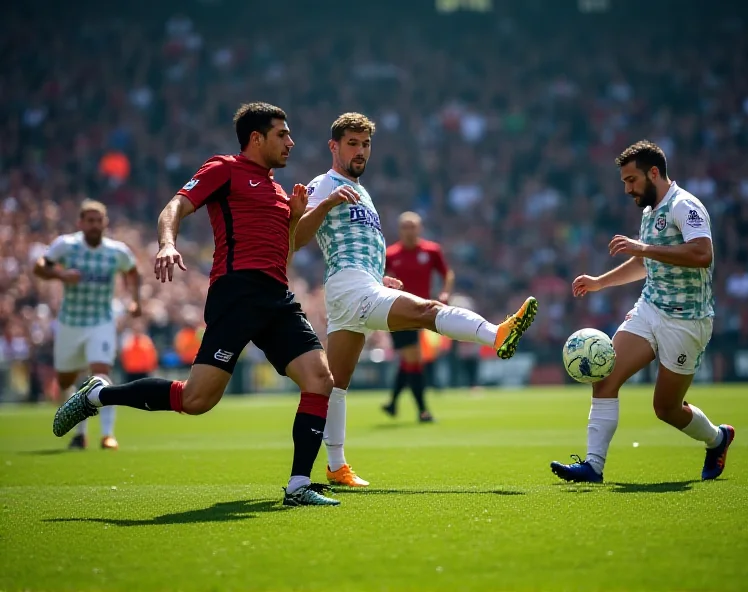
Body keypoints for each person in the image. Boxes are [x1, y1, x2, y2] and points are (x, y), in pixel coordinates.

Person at [52, 103, 339, 507]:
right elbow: (176, 205)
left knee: (319, 379)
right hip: (236, 293)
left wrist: (294, 218)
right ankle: (97, 396)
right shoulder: (224, 168)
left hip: (276, 297)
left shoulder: (276, 190)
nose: (291, 142)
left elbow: (285, 251)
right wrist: (167, 242)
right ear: (256, 138)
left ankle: (298, 486)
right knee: (196, 401)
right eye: (282, 134)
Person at [294, 112, 538, 488]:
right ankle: (496, 334)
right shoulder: (323, 184)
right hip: (349, 286)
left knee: (336, 383)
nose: (360, 151)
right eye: (352, 144)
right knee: (427, 310)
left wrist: (378, 277)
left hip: (355, 286)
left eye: (366, 144)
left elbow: (354, 245)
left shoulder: (362, 191)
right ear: (334, 146)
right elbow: (297, 237)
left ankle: (336, 466)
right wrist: (324, 205)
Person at [550, 140, 734, 483]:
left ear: (653, 173)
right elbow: (645, 261)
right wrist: (599, 282)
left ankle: (718, 438)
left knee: (665, 409)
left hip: (687, 319)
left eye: (631, 180)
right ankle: (592, 466)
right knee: (604, 376)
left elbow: (701, 254)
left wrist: (644, 247)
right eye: (623, 182)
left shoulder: (685, 206)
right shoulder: (650, 212)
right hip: (650, 308)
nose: (627, 189)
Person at [33, 199, 141, 450]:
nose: (94, 225)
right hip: (70, 323)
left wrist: (135, 301)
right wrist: (61, 274)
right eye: (89, 220)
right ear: (81, 223)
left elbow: (133, 272)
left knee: (100, 374)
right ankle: (79, 434)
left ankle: (107, 435)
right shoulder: (66, 246)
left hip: (101, 321)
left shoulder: (117, 251)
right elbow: (40, 267)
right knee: (64, 382)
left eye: (98, 220)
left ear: (105, 223)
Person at [383, 211, 455, 422]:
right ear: (399, 230)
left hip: (422, 311)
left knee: (409, 361)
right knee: (414, 359)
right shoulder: (391, 254)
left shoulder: (431, 251)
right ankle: (423, 410)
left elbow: (447, 273)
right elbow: (377, 277)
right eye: (405, 226)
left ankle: (393, 403)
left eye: (412, 226)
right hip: (398, 312)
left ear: (420, 228)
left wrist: (445, 292)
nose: (409, 230)